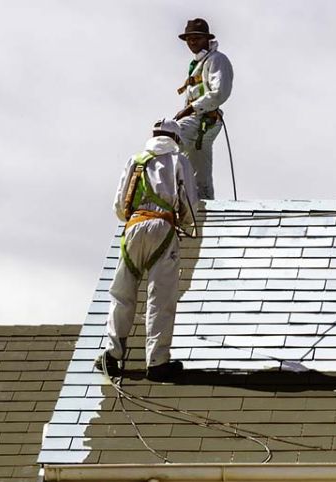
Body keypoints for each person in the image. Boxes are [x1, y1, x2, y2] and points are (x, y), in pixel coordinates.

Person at [95, 119, 198, 382]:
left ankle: (112, 354)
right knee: (160, 297)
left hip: (134, 227)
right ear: (175, 139)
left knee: (122, 292)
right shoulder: (179, 161)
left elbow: (120, 205)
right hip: (162, 228)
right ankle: (157, 362)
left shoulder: (135, 160)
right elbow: (188, 203)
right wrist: (186, 223)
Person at [174, 18, 233, 200]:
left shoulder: (217, 60)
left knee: (168, 138)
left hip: (204, 117)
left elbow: (219, 93)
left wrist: (190, 109)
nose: (192, 42)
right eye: (189, 39)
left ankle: (159, 190)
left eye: (197, 38)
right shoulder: (199, 63)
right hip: (199, 118)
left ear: (207, 39)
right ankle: (203, 205)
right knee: (199, 169)